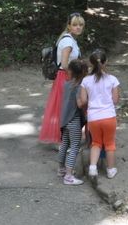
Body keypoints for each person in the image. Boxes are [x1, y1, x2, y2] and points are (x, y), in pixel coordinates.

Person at [39, 12, 85, 143]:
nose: (78, 27)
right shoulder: (68, 42)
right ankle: (61, 140)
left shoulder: (69, 39)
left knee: (64, 107)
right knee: (64, 108)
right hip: (66, 76)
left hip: (65, 76)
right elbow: (64, 64)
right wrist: (73, 78)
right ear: (69, 26)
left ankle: (64, 139)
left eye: (80, 25)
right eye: (75, 25)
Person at [78, 49, 121, 179]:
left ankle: (93, 168)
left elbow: (83, 100)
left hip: (93, 117)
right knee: (109, 144)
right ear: (106, 62)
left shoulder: (86, 81)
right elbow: (115, 100)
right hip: (109, 116)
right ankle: (111, 170)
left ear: (91, 63)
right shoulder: (112, 79)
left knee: (96, 143)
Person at [58, 59, 88, 185]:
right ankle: (69, 176)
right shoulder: (79, 87)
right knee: (75, 146)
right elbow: (80, 104)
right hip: (73, 120)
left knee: (64, 144)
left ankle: (61, 169)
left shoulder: (66, 84)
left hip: (64, 119)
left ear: (71, 71)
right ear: (82, 73)